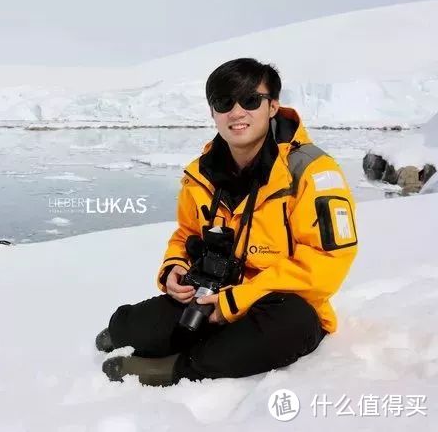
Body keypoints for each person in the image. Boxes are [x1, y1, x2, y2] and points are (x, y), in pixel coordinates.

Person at [96, 58, 359, 386]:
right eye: (224, 102)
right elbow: (187, 233)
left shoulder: (312, 172)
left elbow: (328, 259)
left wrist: (237, 301)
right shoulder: (202, 174)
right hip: (211, 294)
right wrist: (175, 267)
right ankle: (143, 334)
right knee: (129, 327)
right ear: (213, 112)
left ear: (273, 106)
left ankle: (178, 368)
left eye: (251, 100)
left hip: (280, 303)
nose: (236, 112)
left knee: (288, 324)